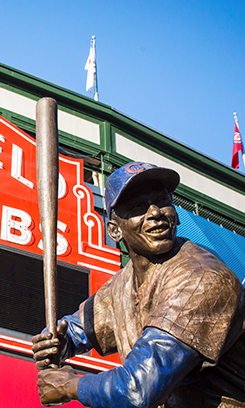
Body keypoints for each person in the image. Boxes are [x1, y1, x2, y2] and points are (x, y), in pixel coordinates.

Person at [32, 162, 245, 408]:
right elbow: (76, 330)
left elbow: (137, 389)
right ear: (114, 230)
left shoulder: (201, 277)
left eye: (162, 201)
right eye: (138, 207)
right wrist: (56, 343)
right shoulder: (123, 284)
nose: (155, 213)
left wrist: (69, 385)